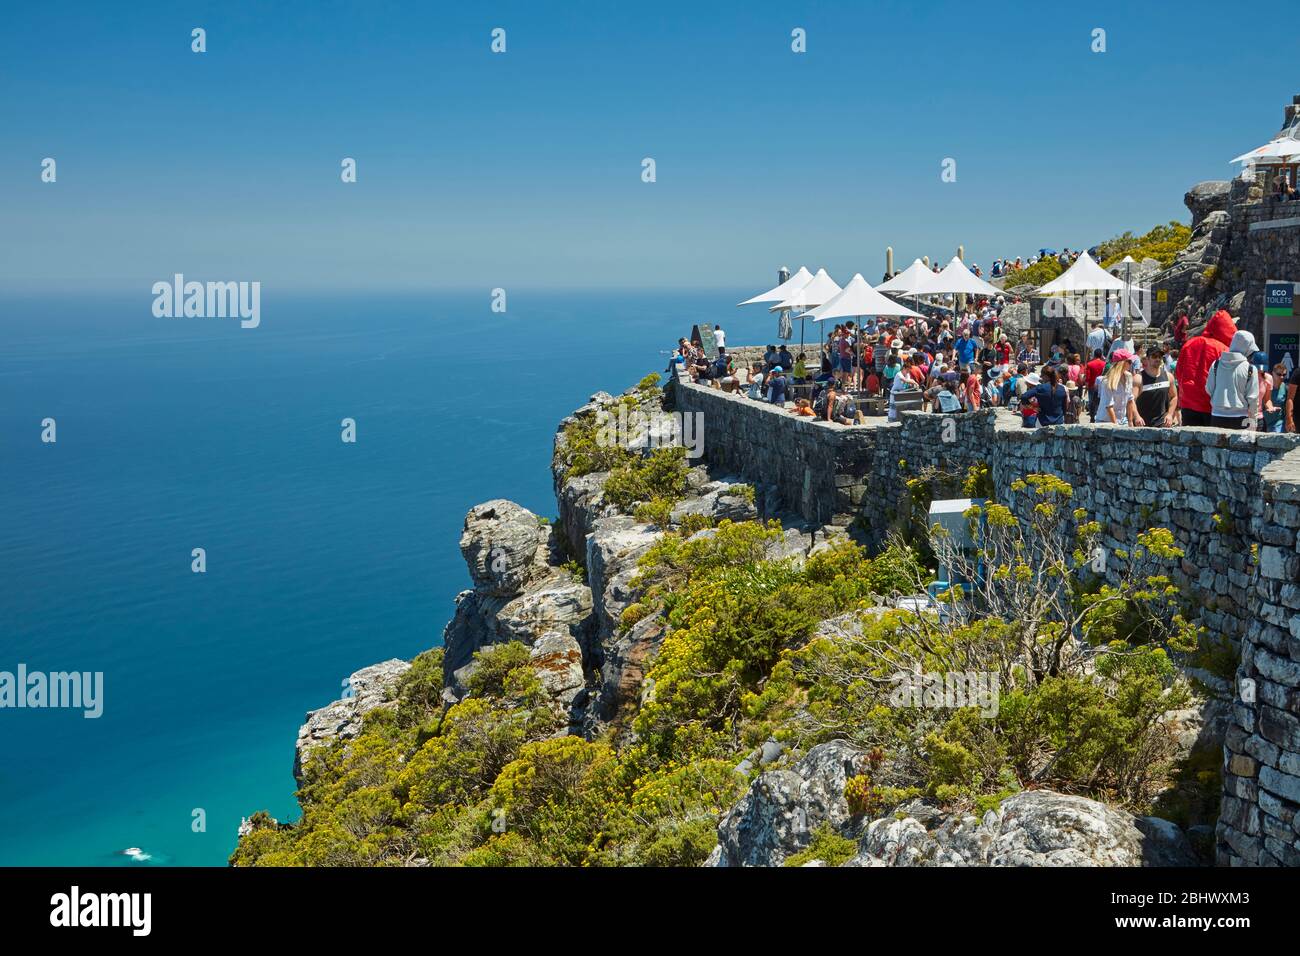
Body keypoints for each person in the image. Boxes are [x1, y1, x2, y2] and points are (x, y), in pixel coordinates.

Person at [1175, 309, 1237, 427]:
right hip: (1212, 406)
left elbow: (1179, 371)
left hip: (1188, 402)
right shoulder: (1223, 349)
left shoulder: (1189, 343)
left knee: (1189, 441)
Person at [1205, 330, 1260, 430]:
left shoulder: (1216, 364)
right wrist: (1253, 421)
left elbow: (1209, 389)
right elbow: (1253, 399)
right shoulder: (1250, 369)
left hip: (1216, 416)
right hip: (1240, 417)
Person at [1134, 346, 1178, 428]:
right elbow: (1131, 400)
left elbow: (1174, 397)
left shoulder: (1168, 376)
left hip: (1162, 424)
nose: (1157, 359)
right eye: (1154, 356)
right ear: (1147, 359)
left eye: (1160, 357)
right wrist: (1137, 417)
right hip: (1142, 425)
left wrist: (1170, 414)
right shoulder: (1139, 378)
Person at [1097, 350, 1138, 425]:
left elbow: (1130, 401)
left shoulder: (1129, 377)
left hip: (1122, 420)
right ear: (1121, 363)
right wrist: (1116, 425)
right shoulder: (1107, 381)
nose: (1131, 364)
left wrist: (1130, 421)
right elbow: (1109, 406)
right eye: (1129, 361)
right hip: (1105, 421)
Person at [1264, 363, 1288, 432]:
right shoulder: (1265, 386)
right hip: (1264, 423)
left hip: (1279, 424)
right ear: (1273, 373)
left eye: (1284, 375)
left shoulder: (1286, 388)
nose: (1282, 377)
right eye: (1279, 374)